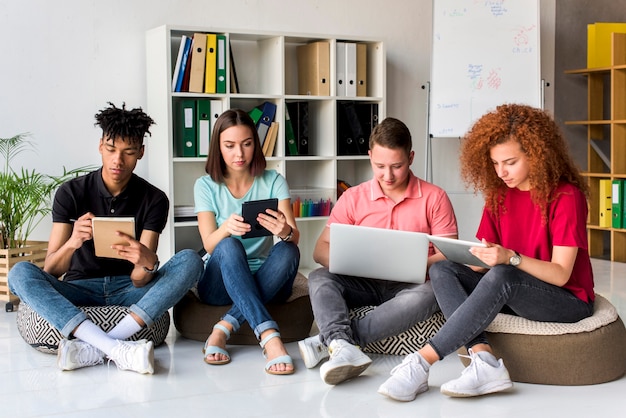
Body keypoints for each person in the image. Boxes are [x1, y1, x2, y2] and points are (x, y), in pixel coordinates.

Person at [378, 103, 596, 401]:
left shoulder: (566, 197)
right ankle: (483, 360)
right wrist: (472, 258)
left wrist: (509, 258)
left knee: (505, 273)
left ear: (537, 154)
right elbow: (485, 261)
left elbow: (560, 275)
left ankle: (422, 361)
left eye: (510, 162)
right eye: (495, 164)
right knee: (443, 269)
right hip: (514, 291)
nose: (501, 172)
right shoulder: (500, 194)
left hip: (567, 301)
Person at [8, 102, 204, 374]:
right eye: (111, 150)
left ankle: (93, 347)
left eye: (129, 152)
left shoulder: (154, 199)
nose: (118, 161)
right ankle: (116, 348)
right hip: (78, 289)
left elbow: (141, 279)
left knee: (191, 260)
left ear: (141, 154)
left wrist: (145, 261)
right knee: (19, 273)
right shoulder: (71, 193)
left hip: (130, 291)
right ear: (101, 145)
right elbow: (51, 270)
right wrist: (73, 242)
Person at [298, 117, 458, 385]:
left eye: (397, 166)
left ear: (411, 157)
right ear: (370, 156)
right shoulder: (353, 197)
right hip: (362, 282)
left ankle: (336, 342)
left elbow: (449, 254)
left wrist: (417, 264)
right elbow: (320, 250)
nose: (388, 175)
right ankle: (340, 343)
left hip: (413, 284)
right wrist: (354, 263)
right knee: (318, 277)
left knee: (434, 290)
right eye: (380, 166)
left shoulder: (435, 197)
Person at [194, 108, 300, 375]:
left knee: (288, 249)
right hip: (219, 283)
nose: (239, 154)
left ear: (256, 144)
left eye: (247, 144)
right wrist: (225, 229)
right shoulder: (205, 186)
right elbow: (208, 244)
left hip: (266, 276)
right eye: (229, 146)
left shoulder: (273, 180)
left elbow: (294, 236)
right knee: (228, 245)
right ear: (218, 147)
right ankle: (269, 336)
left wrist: (284, 229)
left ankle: (223, 327)